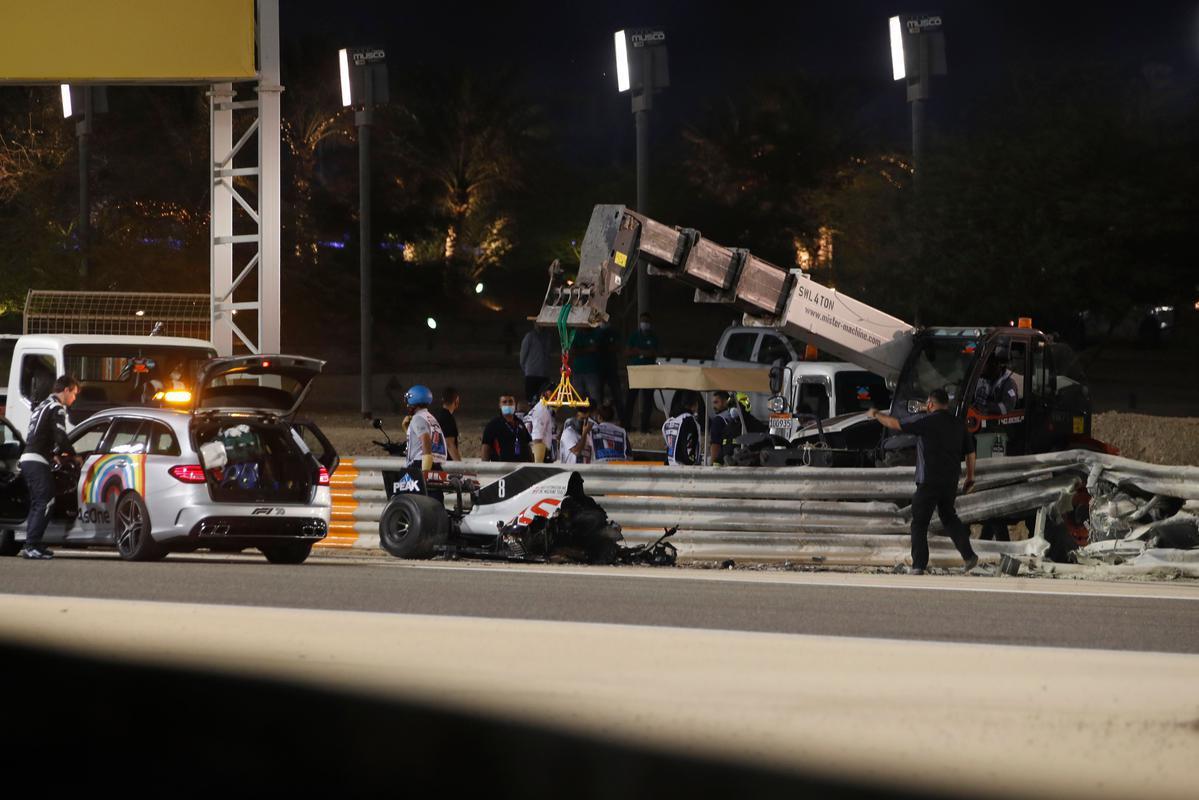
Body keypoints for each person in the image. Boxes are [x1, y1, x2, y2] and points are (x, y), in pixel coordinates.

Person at [867, 388, 979, 575]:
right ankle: (969, 556)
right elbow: (971, 452)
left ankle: (919, 565)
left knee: (919, 523)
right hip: (950, 481)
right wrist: (970, 476)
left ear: (930, 404)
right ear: (946, 404)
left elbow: (895, 424)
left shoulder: (926, 421)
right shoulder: (958, 424)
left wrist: (876, 414)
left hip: (928, 480)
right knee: (949, 517)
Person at [19, 374, 80, 560]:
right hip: (37, 460)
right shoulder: (57, 408)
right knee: (45, 501)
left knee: (39, 502)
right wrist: (73, 456)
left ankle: (34, 543)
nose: (74, 398)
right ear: (66, 390)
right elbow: (61, 437)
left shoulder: (43, 405)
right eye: (74, 393)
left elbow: (40, 434)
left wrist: (54, 455)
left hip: (30, 458)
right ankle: (31, 545)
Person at [623, 312, 659, 432]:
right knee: (630, 399)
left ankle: (644, 427)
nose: (645, 324)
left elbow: (654, 352)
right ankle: (626, 425)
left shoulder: (653, 337)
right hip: (635, 372)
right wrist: (642, 352)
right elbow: (627, 352)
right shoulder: (634, 336)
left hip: (648, 371)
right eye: (643, 321)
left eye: (646, 322)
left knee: (648, 400)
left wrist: (638, 351)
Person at [404, 385, 448, 472]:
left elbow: (425, 441)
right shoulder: (430, 417)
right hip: (435, 464)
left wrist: (425, 472)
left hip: (421, 464)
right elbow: (419, 441)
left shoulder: (418, 418)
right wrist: (406, 428)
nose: (407, 405)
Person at [481, 393, 533, 462]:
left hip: (521, 466)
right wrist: (485, 467)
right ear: (500, 405)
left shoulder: (520, 423)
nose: (508, 404)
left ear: (515, 404)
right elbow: (486, 448)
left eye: (510, 401)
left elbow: (527, 445)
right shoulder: (493, 425)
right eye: (504, 402)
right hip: (502, 467)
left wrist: (531, 463)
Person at [973, 350, 1020, 415]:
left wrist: (987, 408)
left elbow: (1008, 407)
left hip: (997, 422)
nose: (983, 370)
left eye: (987, 366)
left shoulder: (1008, 384)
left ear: (997, 366)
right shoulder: (984, 379)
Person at [662, 390, 702, 466]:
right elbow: (689, 449)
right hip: (684, 470)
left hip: (669, 468)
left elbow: (668, 447)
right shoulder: (689, 420)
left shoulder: (668, 422)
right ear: (695, 404)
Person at [519, 325, 556, 406]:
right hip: (532, 374)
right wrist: (527, 370)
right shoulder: (530, 336)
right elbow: (523, 356)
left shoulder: (547, 337)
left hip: (544, 374)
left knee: (544, 400)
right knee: (531, 400)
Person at [569, 327, 603, 405]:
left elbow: (596, 348)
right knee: (578, 398)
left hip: (592, 372)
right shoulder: (576, 334)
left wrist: (581, 349)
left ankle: (595, 416)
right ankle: (580, 416)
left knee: (594, 398)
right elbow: (572, 351)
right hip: (577, 371)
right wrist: (588, 349)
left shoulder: (597, 333)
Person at [527, 382, 557, 463]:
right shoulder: (542, 410)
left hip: (537, 451)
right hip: (538, 453)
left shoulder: (542, 408)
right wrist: (538, 464)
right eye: (557, 393)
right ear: (548, 393)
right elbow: (537, 439)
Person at [595, 320, 622, 410]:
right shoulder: (597, 332)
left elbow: (618, 346)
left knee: (617, 395)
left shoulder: (613, 332)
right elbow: (595, 347)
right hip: (599, 368)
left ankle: (622, 419)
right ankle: (599, 417)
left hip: (611, 368)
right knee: (598, 396)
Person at [708, 391, 738, 465]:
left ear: (725, 402)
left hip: (722, 461)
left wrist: (713, 463)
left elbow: (716, 445)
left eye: (716, 402)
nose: (713, 406)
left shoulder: (718, 420)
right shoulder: (737, 416)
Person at [431, 387, 461, 462]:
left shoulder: (434, 416)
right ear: (456, 401)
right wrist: (460, 466)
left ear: (443, 400)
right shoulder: (448, 418)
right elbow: (449, 444)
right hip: (444, 465)